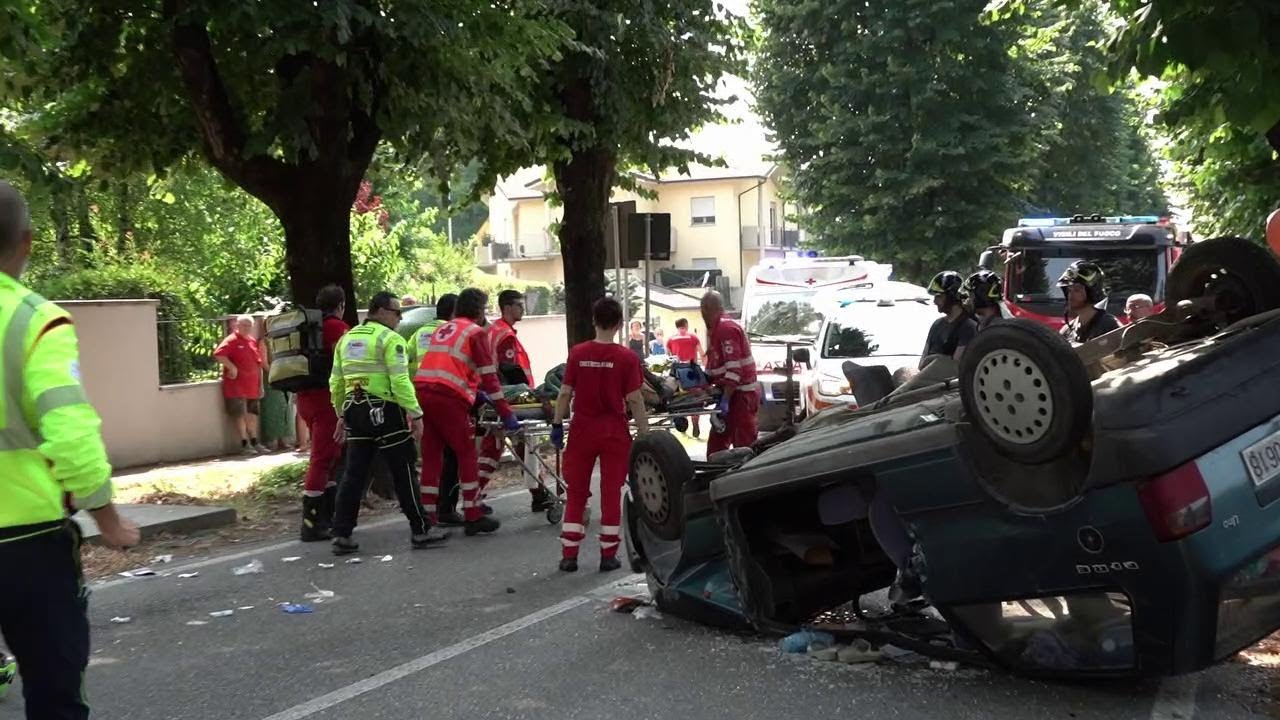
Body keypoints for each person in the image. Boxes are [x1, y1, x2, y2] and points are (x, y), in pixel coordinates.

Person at [0, 180, 140, 720]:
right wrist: (107, 517)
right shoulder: (34, 320)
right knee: (54, 689)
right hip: (28, 541)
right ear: (28, 241)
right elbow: (71, 434)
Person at [329, 293, 449, 554]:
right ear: (381, 311)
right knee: (403, 470)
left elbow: (336, 382)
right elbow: (400, 381)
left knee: (354, 473)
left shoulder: (346, 339)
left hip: (355, 409)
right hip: (385, 410)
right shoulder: (390, 339)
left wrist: (340, 414)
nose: (400, 318)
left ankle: (341, 532)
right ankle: (421, 529)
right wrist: (415, 414)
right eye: (397, 313)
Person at [551, 297, 648, 572]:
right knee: (610, 492)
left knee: (577, 493)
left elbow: (565, 393)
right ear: (619, 324)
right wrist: (644, 434)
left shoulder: (578, 353)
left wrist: (557, 424)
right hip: (613, 432)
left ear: (594, 321)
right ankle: (608, 555)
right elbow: (635, 400)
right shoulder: (627, 357)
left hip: (582, 429)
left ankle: (569, 555)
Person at [416, 288, 519, 536]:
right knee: (466, 452)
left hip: (423, 390)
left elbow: (454, 363)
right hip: (449, 396)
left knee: (431, 455)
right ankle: (473, 514)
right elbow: (490, 377)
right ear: (479, 310)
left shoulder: (444, 328)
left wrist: (477, 391)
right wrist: (504, 411)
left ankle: (427, 516)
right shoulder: (475, 332)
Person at [483, 290, 555, 513]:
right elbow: (510, 373)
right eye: (518, 305)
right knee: (524, 445)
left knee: (503, 447)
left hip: (497, 396)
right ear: (506, 307)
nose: (522, 309)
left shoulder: (495, 330)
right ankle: (538, 492)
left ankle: (539, 493)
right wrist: (530, 397)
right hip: (511, 399)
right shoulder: (505, 336)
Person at [296, 284, 350, 542]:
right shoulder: (337, 328)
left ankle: (326, 517)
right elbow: (350, 361)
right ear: (341, 305)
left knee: (329, 456)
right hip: (325, 399)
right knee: (322, 458)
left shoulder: (309, 329)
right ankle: (312, 523)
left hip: (305, 398)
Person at [408, 293, 465, 526]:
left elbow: (407, 363)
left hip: (421, 397)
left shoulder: (419, 333)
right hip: (446, 397)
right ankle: (447, 508)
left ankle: (429, 511)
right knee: (455, 454)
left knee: (431, 456)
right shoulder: (453, 333)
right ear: (454, 312)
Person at [702, 291, 760, 454]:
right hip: (731, 394)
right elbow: (717, 366)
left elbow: (734, 370)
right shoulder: (717, 330)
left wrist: (725, 399)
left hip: (740, 395)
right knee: (717, 447)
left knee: (744, 447)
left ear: (706, 309)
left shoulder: (725, 329)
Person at [214, 314, 269, 454]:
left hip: (252, 386)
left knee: (252, 413)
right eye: (244, 325)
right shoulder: (231, 340)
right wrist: (232, 367)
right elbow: (219, 354)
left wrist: (260, 385)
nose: (246, 328)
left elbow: (258, 365)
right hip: (236, 386)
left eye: (249, 326)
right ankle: (245, 444)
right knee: (239, 414)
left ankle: (255, 441)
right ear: (237, 326)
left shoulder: (251, 341)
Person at [921, 271, 977, 365]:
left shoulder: (969, 327)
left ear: (952, 296)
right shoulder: (937, 324)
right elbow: (923, 360)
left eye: (938, 296)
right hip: (927, 376)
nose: (935, 301)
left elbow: (953, 366)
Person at [1058, 261, 1120, 345]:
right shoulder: (1067, 331)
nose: (1070, 295)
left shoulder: (1110, 326)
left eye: (1077, 289)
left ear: (1092, 292)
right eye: (1069, 290)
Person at [666, 318, 705, 437]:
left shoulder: (671, 339)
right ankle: (695, 421)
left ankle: (682, 422)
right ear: (686, 325)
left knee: (679, 398)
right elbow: (701, 353)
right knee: (694, 398)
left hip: (677, 372)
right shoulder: (693, 338)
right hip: (691, 371)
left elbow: (668, 357)